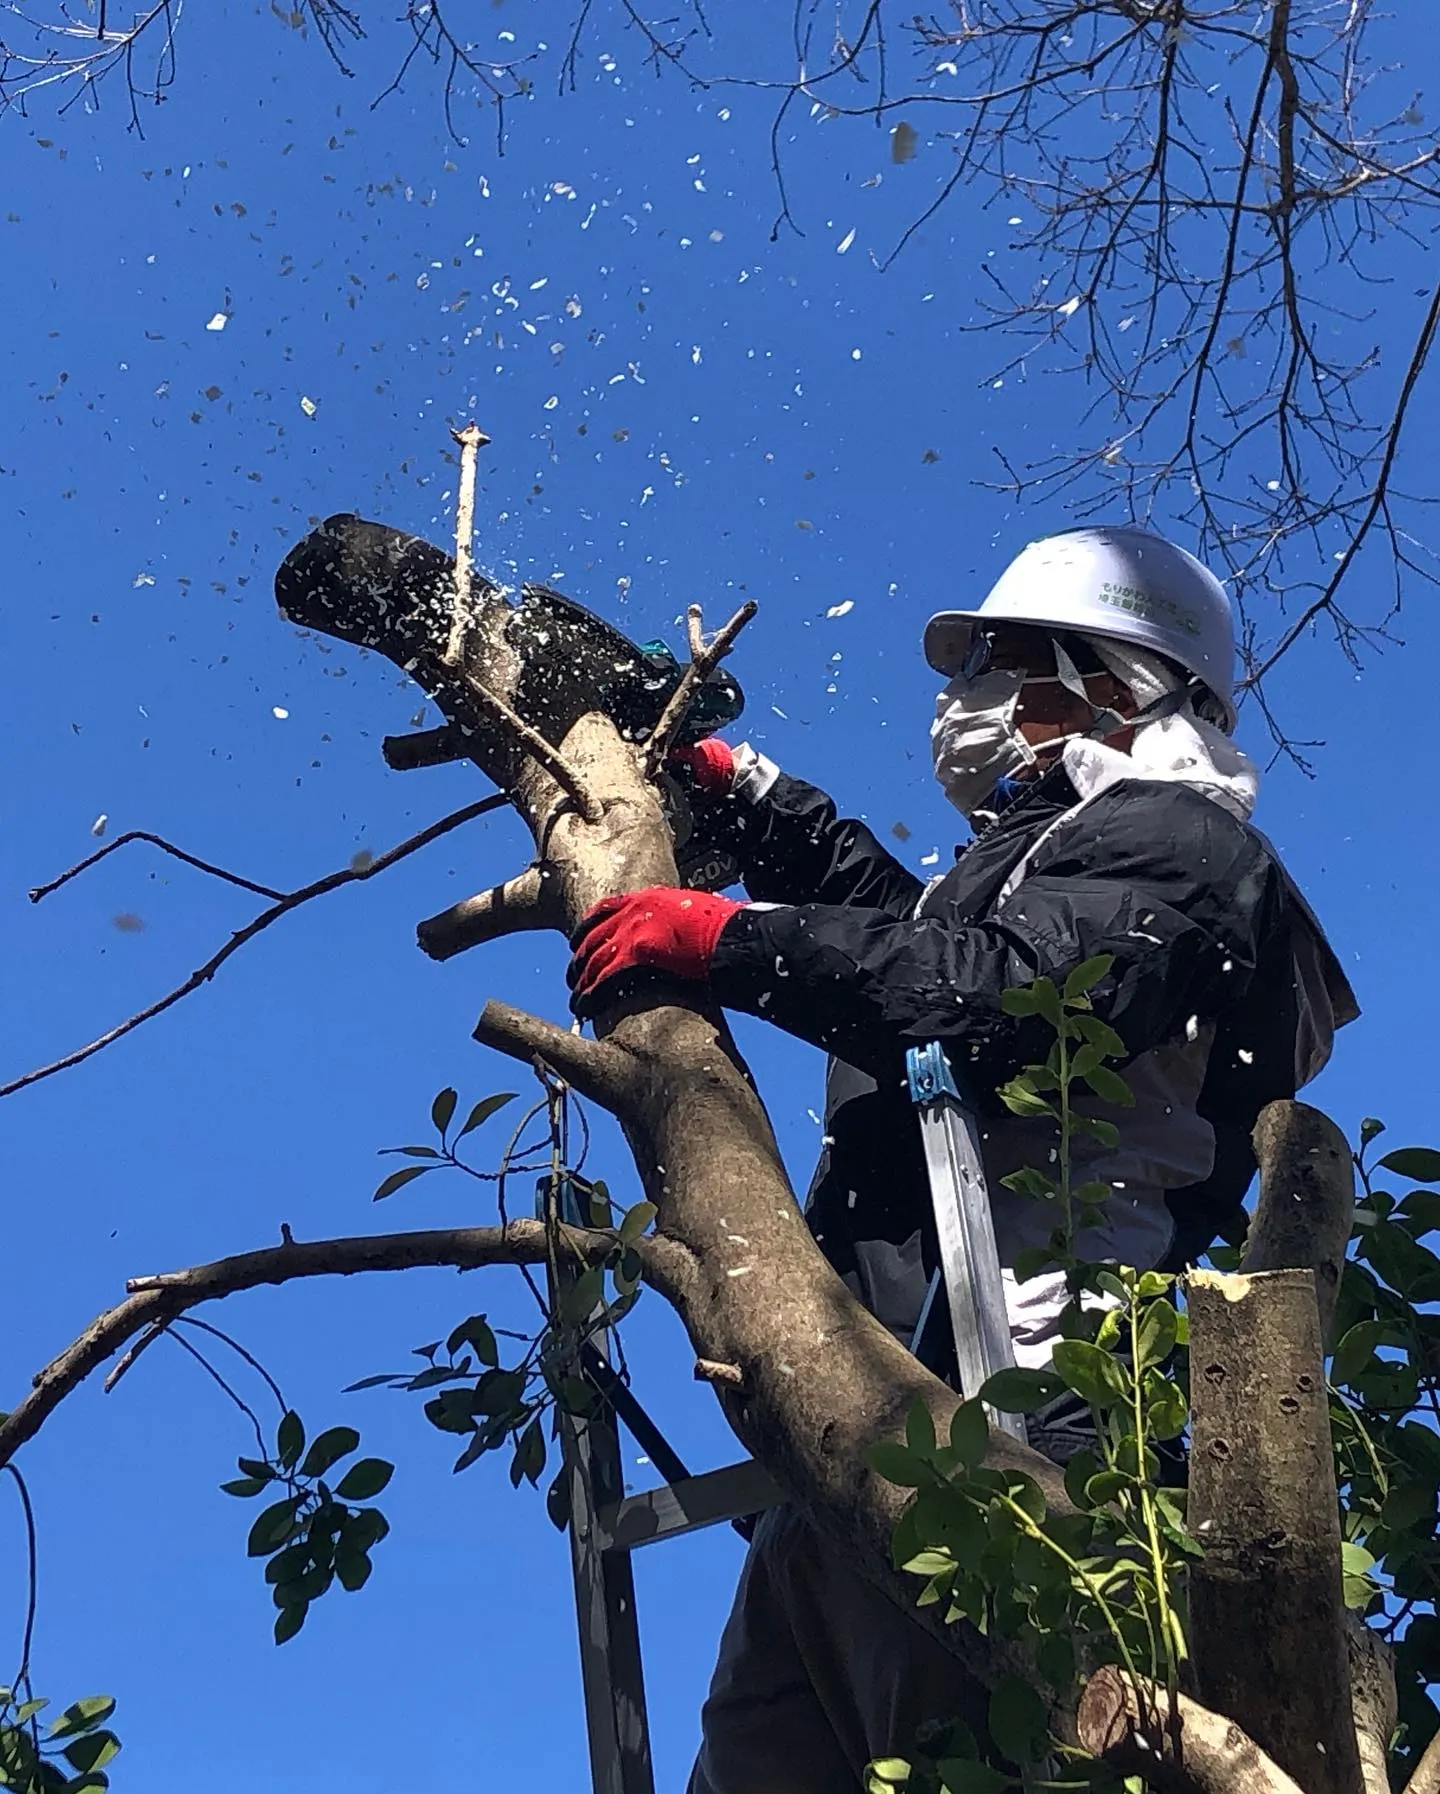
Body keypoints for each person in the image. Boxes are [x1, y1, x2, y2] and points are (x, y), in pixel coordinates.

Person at [566, 524, 1358, 1793]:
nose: (965, 698)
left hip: (1019, 1440)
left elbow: (999, 997)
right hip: (857, 1441)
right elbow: (905, 931)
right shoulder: (1038, 858)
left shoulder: (1184, 846)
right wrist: (741, 791)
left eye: (1003, 663)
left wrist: (731, 940)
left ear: (1115, 682)